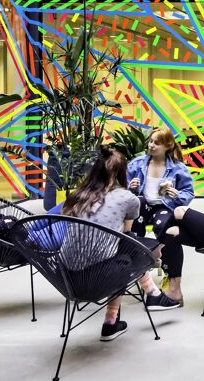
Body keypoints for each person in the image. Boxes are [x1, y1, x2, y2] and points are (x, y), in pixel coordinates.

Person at [60, 145, 180, 342]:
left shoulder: (76, 197)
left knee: (122, 250)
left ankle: (153, 293)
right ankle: (111, 321)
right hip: (99, 279)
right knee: (130, 250)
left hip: (65, 277)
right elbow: (127, 234)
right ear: (122, 173)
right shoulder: (128, 199)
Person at [125, 128, 194, 306]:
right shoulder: (137, 163)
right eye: (151, 141)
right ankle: (139, 270)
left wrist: (176, 194)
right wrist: (129, 187)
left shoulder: (178, 168)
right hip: (142, 204)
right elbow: (121, 188)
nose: (151, 145)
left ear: (168, 146)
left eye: (156, 143)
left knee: (166, 229)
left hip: (165, 205)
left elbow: (188, 194)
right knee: (132, 228)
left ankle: (169, 276)